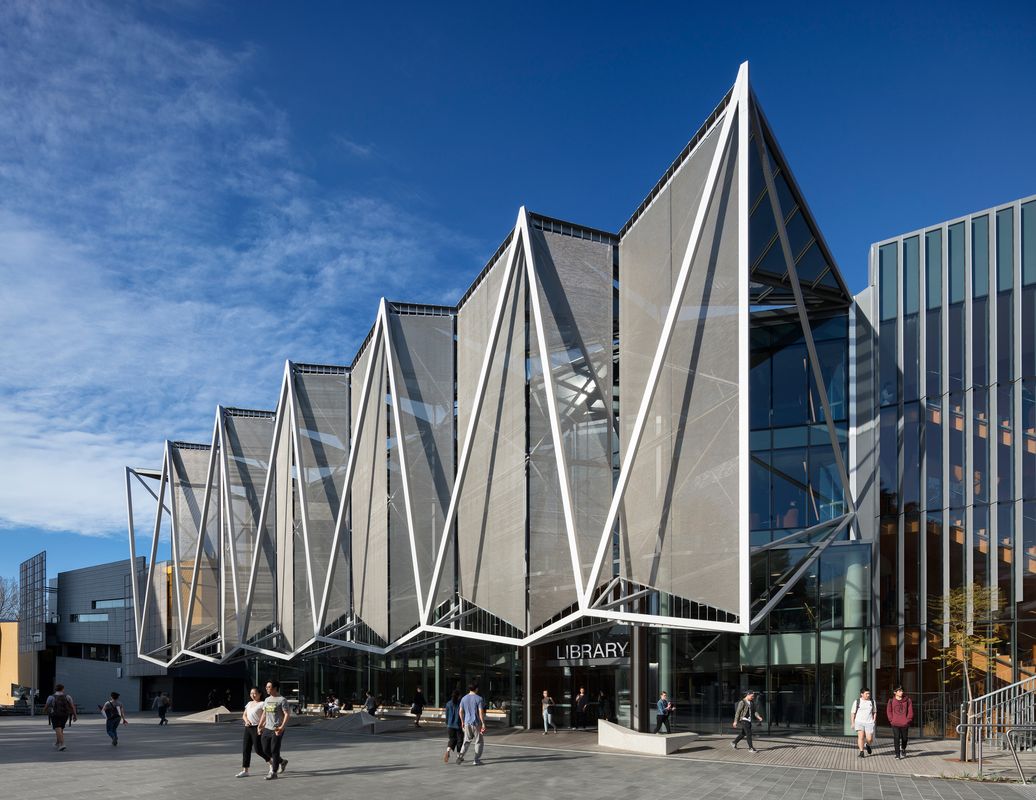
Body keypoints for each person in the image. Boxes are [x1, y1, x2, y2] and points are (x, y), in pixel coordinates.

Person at [258, 680, 290, 779]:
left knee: (274, 750)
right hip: (267, 727)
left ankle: (274, 773)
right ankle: (282, 761)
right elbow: (264, 713)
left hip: (277, 728)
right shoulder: (267, 700)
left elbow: (287, 714)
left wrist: (282, 727)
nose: (266, 688)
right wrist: (260, 725)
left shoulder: (282, 700)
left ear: (275, 688)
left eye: (269, 687)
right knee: (265, 749)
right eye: (266, 687)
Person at [237, 687, 271, 778]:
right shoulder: (249, 703)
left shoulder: (262, 704)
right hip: (248, 727)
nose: (253, 695)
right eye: (251, 693)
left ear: (260, 694)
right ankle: (245, 770)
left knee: (258, 750)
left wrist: (261, 726)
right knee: (246, 749)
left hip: (257, 728)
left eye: (255, 693)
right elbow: (244, 715)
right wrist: (246, 721)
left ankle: (271, 763)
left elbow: (267, 716)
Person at [455, 684, 486, 766]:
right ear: (476, 689)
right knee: (479, 741)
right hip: (476, 723)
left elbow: (460, 711)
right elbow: (480, 712)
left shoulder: (464, 698)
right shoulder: (479, 698)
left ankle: (460, 755)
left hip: (467, 723)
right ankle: (476, 760)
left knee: (466, 741)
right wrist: (483, 723)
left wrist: (462, 721)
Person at [44, 684, 77, 751]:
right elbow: (72, 706)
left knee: (57, 728)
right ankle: (57, 743)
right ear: (63, 689)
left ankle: (62, 744)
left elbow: (46, 706)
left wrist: (44, 711)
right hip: (65, 715)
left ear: (55, 689)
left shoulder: (51, 697)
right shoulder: (67, 696)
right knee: (60, 728)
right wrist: (75, 715)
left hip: (55, 714)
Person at [886, 686, 913, 760]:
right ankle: (897, 754)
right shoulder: (891, 700)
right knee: (896, 738)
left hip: (904, 723)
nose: (902, 692)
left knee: (904, 738)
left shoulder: (908, 700)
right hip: (895, 723)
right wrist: (891, 720)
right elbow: (889, 711)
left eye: (902, 691)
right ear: (895, 692)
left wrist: (908, 720)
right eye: (899, 691)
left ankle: (903, 748)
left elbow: (910, 711)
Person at [851, 687, 877, 758]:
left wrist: (873, 720)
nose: (868, 695)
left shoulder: (872, 701)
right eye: (866, 694)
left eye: (869, 693)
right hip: (859, 722)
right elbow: (853, 713)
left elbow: (874, 712)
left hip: (869, 722)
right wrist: (852, 723)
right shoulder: (857, 701)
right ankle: (861, 752)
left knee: (869, 739)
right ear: (862, 694)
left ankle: (867, 745)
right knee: (861, 737)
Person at [443, 689, 463, 763]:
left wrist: (447, 723)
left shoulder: (448, 703)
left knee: (452, 739)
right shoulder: (460, 703)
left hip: (450, 725)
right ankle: (458, 756)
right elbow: (462, 714)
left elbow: (447, 715)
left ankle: (448, 750)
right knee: (460, 740)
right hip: (458, 725)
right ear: (458, 696)